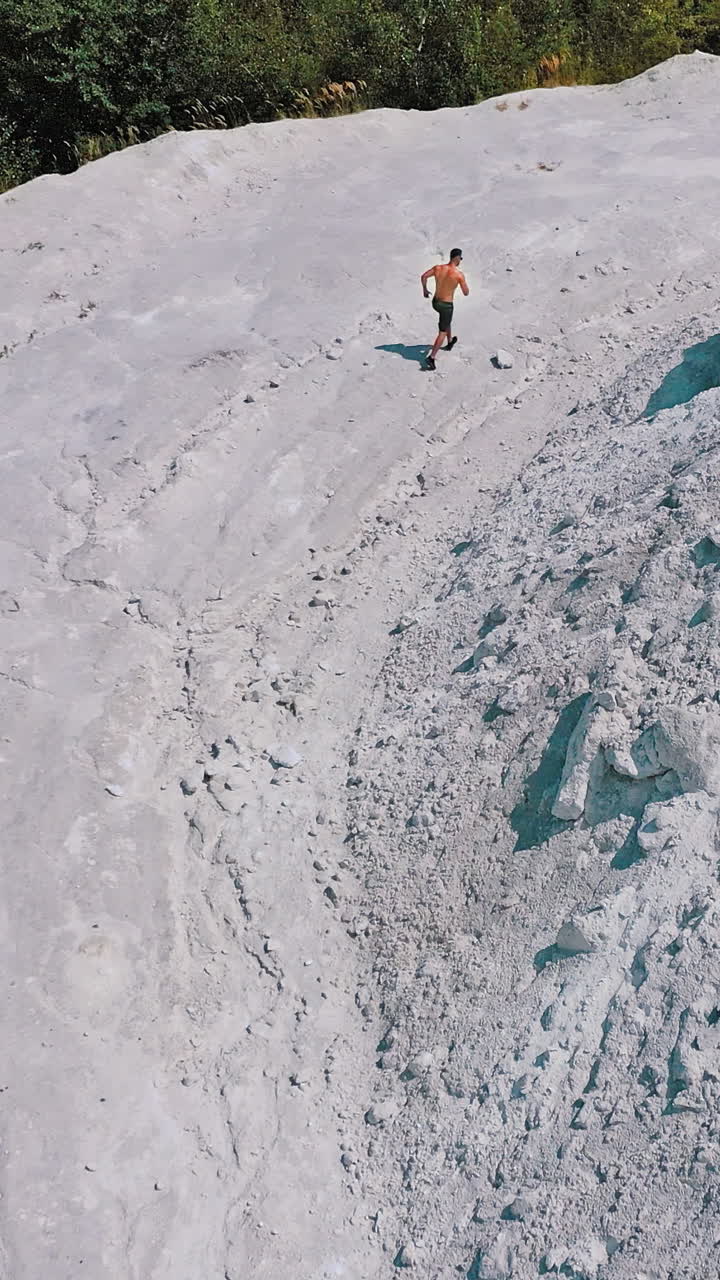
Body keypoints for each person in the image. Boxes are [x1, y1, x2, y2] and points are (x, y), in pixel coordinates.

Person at [420, 249, 469, 370]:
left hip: (435, 302)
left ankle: (450, 341)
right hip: (446, 306)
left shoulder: (438, 268)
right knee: (442, 331)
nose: (460, 261)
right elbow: (466, 292)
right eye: (460, 259)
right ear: (457, 258)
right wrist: (461, 282)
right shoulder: (458, 275)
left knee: (446, 322)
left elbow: (424, 276)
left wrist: (425, 290)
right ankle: (431, 357)